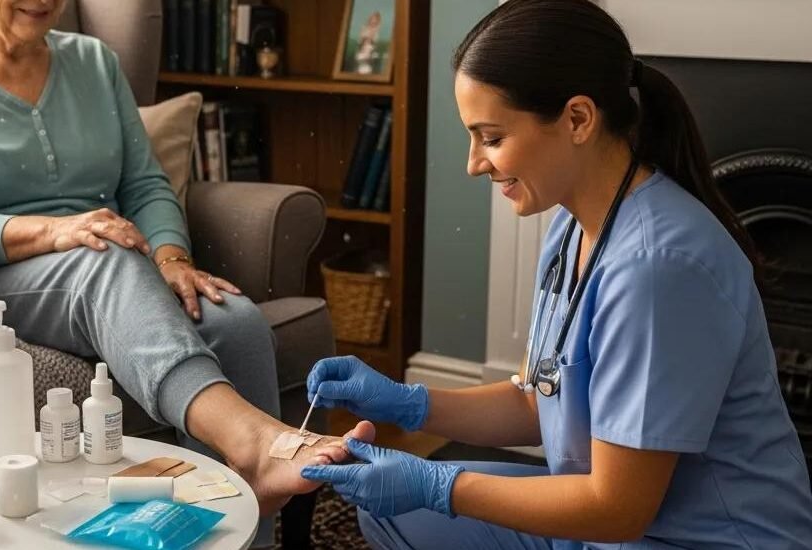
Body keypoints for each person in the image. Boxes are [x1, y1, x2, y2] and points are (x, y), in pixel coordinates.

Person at [302, 0, 812, 548]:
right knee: (390, 517)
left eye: (491, 137)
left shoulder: (658, 269)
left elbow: (617, 510)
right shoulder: (573, 227)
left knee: (427, 505)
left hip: (695, 538)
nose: (474, 163)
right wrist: (407, 402)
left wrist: (436, 482)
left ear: (577, 119)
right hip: (611, 524)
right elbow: (536, 399)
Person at [0, 0, 375, 520]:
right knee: (104, 254)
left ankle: (229, 527)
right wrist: (59, 229)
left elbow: (144, 184)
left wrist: (171, 256)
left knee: (234, 318)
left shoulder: (94, 60)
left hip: (114, 258)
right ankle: (252, 444)